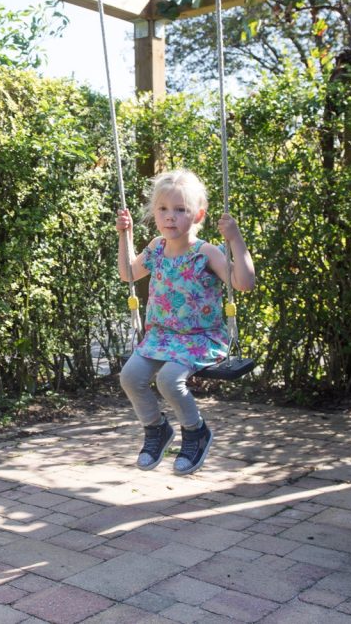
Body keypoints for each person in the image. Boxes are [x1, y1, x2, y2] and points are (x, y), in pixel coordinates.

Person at [115, 170, 255, 475]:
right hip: (161, 337)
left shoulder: (206, 252)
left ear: (198, 214)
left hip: (199, 338)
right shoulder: (155, 248)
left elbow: (243, 283)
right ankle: (157, 429)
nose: (170, 217)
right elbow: (128, 273)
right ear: (155, 213)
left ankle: (195, 431)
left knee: (168, 380)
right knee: (130, 377)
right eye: (163, 209)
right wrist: (123, 235)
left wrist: (236, 239)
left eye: (180, 210)